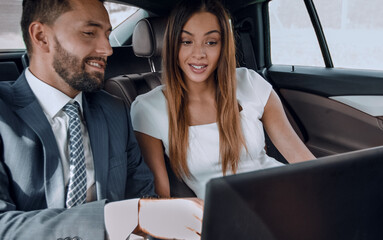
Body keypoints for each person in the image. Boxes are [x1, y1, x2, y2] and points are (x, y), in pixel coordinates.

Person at [0, 0, 202, 239]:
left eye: (107, 35)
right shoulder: (4, 114)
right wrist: (126, 216)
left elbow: (143, 195)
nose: (107, 49)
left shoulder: (114, 109)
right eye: (89, 33)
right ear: (41, 36)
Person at [131, 0, 316, 199]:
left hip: (288, 195)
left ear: (223, 46)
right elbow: (161, 199)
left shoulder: (250, 82)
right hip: (225, 217)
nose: (199, 54)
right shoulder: (148, 109)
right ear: (173, 45)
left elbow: (302, 160)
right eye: (187, 41)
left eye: (211, 42)